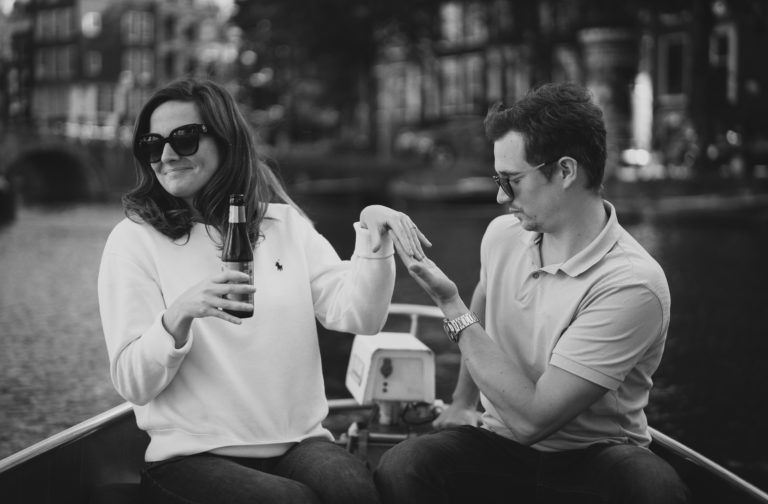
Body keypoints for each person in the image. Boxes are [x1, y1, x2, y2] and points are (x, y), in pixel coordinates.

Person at [97, 77, 430, 504]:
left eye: (183, 139)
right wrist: (178, 316)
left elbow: (360, 317)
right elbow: (132, 382)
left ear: (225, 141)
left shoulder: (283, 225)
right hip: (191, 457)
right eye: (151, 143)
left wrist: (373, 236)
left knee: (354, 490)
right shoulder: (133, 240)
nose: (165, 155)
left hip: (298, 442)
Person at [375, 82, 690, 503]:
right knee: (402, 466)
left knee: (655, 487)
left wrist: (450, 304)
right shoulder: (502, 235)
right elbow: (485, 308)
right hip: (501, 446)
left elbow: (534, 419)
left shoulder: (632, 283)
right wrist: (463, 401)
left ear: (565, 171)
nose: (500, 196)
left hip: (596, 459)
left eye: (512, 180)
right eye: (497, 178)